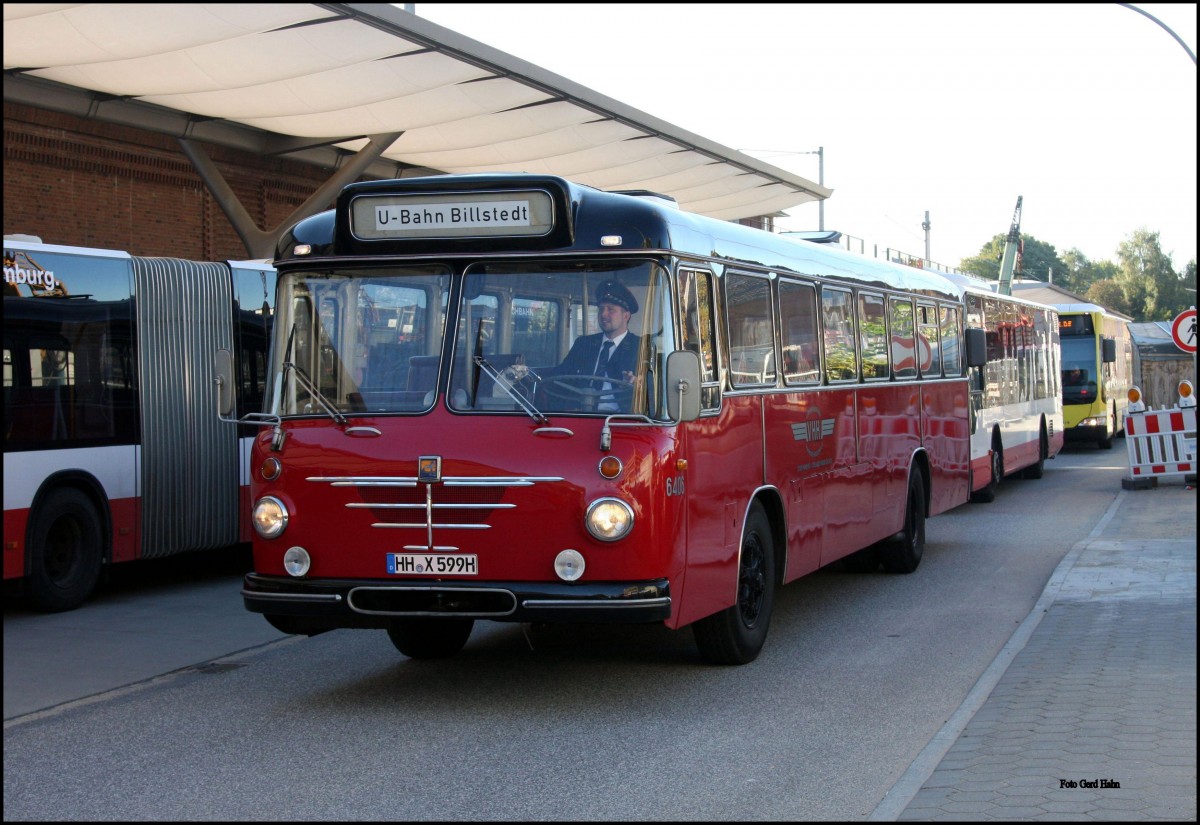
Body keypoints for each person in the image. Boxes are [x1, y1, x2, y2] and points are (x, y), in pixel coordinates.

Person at [552, 280, 639, 409]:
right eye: (601, 309)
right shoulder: (583, 344)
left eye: (610, 310)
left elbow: (653, 392)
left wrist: (635, 385)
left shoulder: (641, 347)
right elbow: (561, 377)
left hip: (620, 420)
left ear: (626, 316)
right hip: (580, 415)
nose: (603, 314)